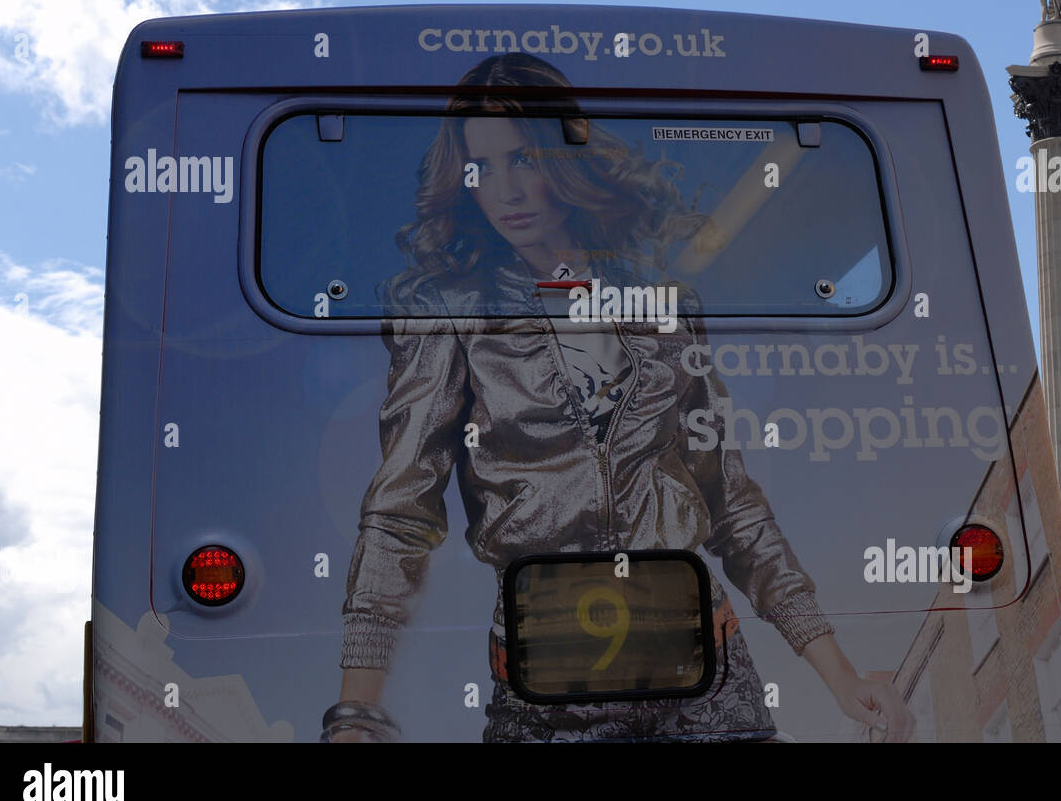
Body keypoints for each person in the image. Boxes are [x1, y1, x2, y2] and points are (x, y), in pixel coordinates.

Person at [323, 52, 914, 743]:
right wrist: (358, 709)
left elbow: (731, 502)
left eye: (525, 159)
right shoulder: (452, 313)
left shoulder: (661, 304)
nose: (506, 190)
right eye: (483, 169)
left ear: (565, 161)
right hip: (547, 689)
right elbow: (401, 510)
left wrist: (839, 675)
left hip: (711, 683)